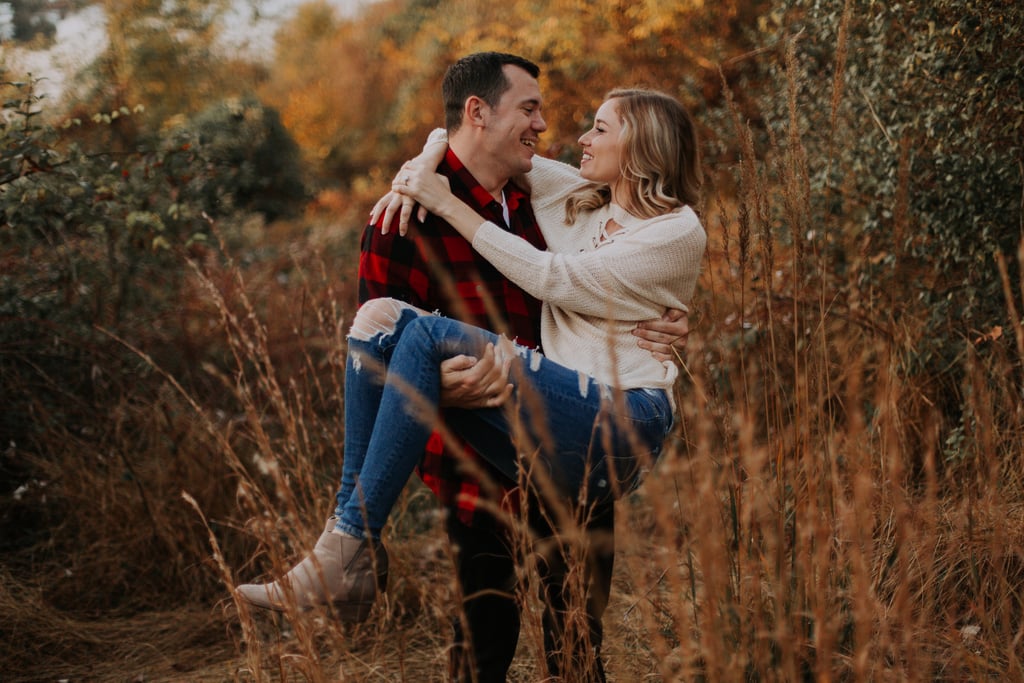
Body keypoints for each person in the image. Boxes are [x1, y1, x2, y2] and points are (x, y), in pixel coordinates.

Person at [235, 52, 697, 682]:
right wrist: (442, 388)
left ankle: (344, 547)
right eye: (529, 108)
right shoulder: (401, 218)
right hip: (479, 463)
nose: (548, 125)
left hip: (573, 439)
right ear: (479, 113)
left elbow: (576, 283)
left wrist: (670, 320)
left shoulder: (546, 200)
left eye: (594, 126)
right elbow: (381, 352)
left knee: (578, 647)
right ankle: (347, 547)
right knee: (480, 654)